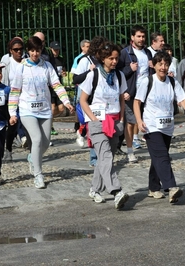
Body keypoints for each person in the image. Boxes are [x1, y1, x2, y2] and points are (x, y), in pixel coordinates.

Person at [8, 36, 74, 189]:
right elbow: (15, 91)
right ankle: (38, 174)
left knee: (44, 143)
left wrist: (66, 102)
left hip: (44, 110)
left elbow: (57, 85)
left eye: (37, 50)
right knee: (36, 139)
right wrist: (12, 112)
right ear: (28, 51)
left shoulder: (47, 66)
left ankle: (32, 157)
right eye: (32, 50)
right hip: (27, 110)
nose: (35, 54)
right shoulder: (21, 67)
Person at [134, 51, 185, 203]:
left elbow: (182, 98)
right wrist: (139, 120)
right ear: (154, 65)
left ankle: (153, 187)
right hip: (151, 126)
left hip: (167, 126)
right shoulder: (147, 81)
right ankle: (171, 186)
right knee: (162, 156)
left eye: (166, 64)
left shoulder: (172, 82)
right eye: (160, 64)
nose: (163, 67)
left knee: (158, 157)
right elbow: (137, 102)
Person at [79, 41, 129, 209]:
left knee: (105, 159)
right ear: (102, 58)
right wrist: (93, 119)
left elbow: (122, 98)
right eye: (110, 58)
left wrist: (121, 119)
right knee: (106, 156)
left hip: (114, 122)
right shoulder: (93, 76)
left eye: (116, 58)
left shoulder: (119, 76)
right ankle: (116, 191)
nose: (114, 62)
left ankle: (94, 189)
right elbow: (83, 100)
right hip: (97, 122)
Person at [117, 25, 154, 163]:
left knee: (147, 119)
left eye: (143, 36)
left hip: (146, 92)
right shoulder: (125, 53)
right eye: (138, 36)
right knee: (131, 122)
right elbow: (118, 72)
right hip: (131, 93)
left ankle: (153, 148)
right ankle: (130, 151)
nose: (141, 39)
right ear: (132, 37)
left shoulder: (148, 53)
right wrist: (129, 69)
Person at [72, 36, 107, 167]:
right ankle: (94, 158)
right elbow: (75, 79)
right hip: (88, 99)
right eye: (102, 48)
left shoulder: (104, 61)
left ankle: (102, 155)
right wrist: (89, 71)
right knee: (93, 128)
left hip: (101, 99)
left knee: (101, 128)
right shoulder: (84, 60)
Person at [0, 37, 28, 160]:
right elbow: (2, 79)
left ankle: (27, 141)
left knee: (26, 121)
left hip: (25, 98)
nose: (19, 52)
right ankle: (8, 148)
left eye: (21, 49)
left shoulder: (27, 62)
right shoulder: (7, 62)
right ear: (11, 50)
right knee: (12, 125)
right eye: (16, 49)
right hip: (10, 97)